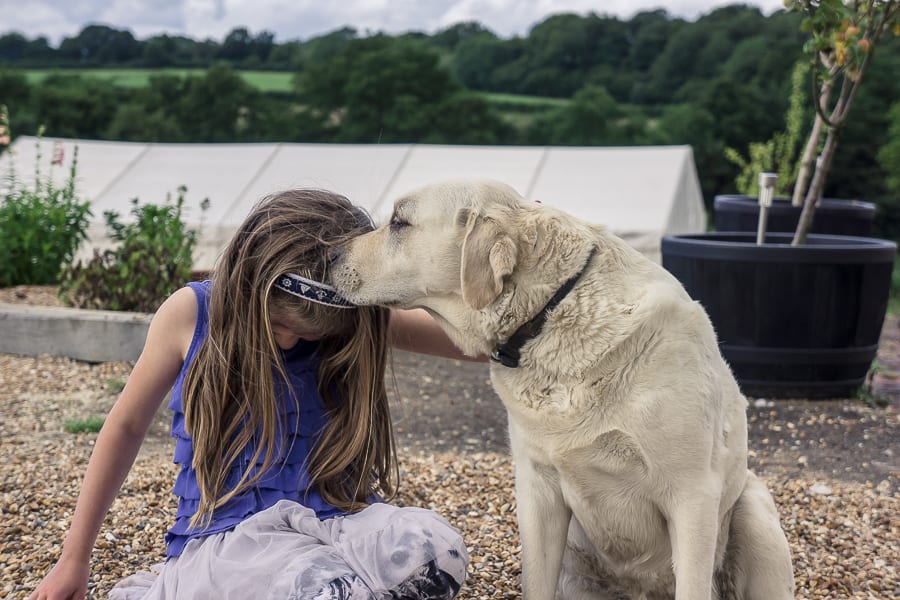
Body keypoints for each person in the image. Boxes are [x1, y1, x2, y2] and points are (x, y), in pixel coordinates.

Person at [29, 189, 477, 600]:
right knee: (328, 587)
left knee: (437, 553)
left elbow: (478, 342)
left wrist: (523, 254)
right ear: (248, 289)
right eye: (280, 326)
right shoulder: (191, 313)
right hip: (235, 541)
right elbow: (125, 427)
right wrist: (75, 558)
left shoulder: (359, 318)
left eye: (309, 336)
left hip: (337, 521)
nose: (289, 342)